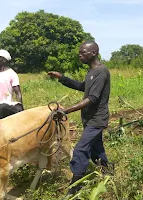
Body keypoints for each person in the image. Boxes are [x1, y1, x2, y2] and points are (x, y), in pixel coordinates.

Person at [47, 41, 111, 197]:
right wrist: (62, 78)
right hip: (90, 119)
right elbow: (82, 87)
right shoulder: (91, 72)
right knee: (96, 149)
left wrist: (65, 110)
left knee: (81, 150)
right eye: (80, 52)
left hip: (97, 119)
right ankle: (109, 173)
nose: (79, 54)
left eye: (83, 52)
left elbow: (92, 98)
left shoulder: (101, 72)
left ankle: (75, 187)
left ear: (94, 53)